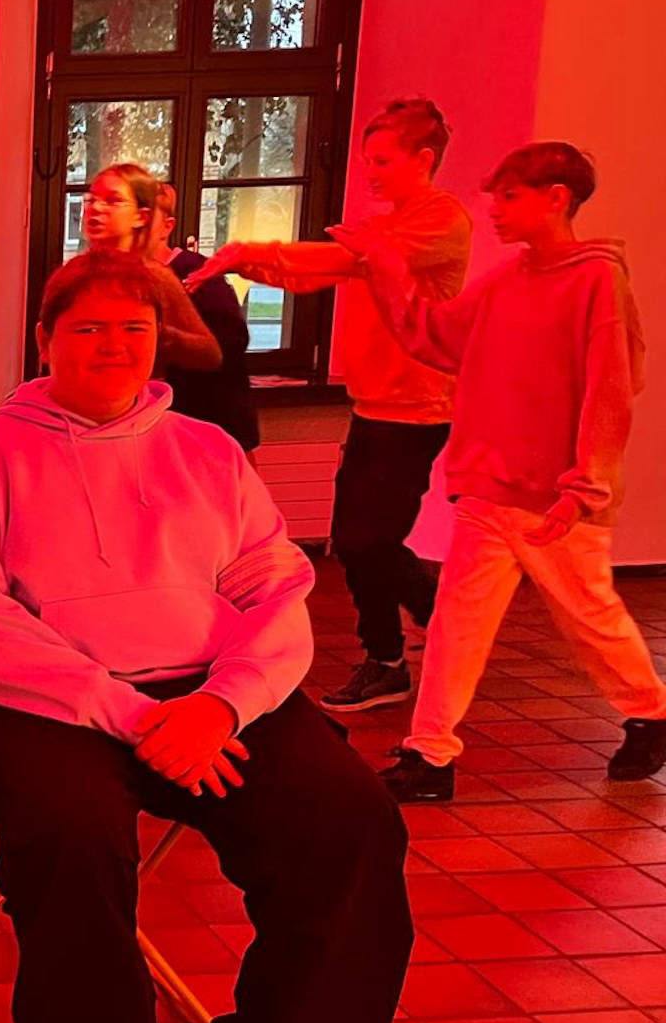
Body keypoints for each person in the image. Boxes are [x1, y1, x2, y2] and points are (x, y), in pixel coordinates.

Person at [0, 250, 412, 1023]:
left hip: (209, 694)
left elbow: (277, 590)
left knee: (348, 820)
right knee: (69, 835)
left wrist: (223, 704)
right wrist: (134, 715)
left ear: (158, 342)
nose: (113, 346)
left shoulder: (208, 453)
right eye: (88, 328)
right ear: (45, 341)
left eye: (133, 329)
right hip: (52, 699)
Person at [330, 143, 666, 802]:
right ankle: (429, 755)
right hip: (489, 489)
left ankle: (652, 713)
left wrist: (585, 486)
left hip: (556, 500)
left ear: (557, 198)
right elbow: (435, 335)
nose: (496, 211)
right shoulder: (509, 278)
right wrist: (385, 265)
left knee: (590, 619)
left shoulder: (598, 280)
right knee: (456, 625)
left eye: (511, 197)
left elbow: (611, 387)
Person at [193, 98, 473, 710]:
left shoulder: (440, 221)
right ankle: (400, 651)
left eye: (383, 160)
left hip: (417, 412)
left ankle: (433, 627)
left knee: (366, 541)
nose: (370, 171)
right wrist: (246, 260)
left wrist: (253, 252)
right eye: (368, 159)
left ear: (423, 159)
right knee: (357, 542)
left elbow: (346, 259)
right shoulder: (386, 227)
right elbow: (320, 271)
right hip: (374, 409)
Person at [78, 163, 228, 417]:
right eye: (92, 200)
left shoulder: (154, 277)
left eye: (113, 201)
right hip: (82, 408)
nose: (96, 208)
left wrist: (158, 335)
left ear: (141, 217)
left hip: (137, 413)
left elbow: (210, 353)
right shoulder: (77, 274)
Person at [153, 182, 259, 452]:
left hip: (213, 419)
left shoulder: (197, 272)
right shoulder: (116, 274)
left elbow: (231, 344)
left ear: (167, 226)